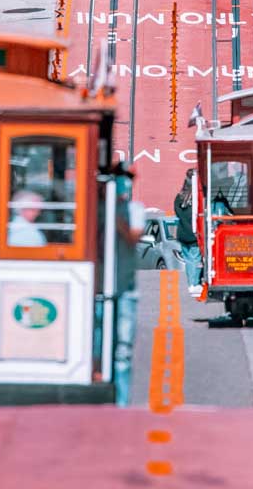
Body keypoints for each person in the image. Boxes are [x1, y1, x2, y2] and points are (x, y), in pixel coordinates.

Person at [112, 163, 144, 406]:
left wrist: (115, 219)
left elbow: (133, 237)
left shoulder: (134, 210)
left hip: (125, 291)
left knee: (122, 353)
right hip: (101, 289)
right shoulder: (99, 208)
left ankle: (121, 405)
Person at [174, 173, 204, 299]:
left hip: (182, 232)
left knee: (188, 260)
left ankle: (190, 283)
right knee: (195, 259)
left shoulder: (179, 197)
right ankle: (194, 283)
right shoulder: (197, 199)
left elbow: (177, 213)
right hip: (193, 233)